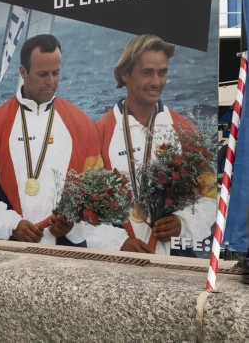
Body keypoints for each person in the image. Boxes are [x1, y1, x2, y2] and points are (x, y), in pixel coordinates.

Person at [0, 34, 102, 246]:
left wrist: (74, 225)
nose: (51, 81)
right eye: (42, 74)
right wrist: (12, 225)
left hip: (67, 250)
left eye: (56, 73)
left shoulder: (82, 124)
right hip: (11, 247)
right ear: (23, 72)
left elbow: (96, 192)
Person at [92, 34, 216, 256]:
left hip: (174, 256)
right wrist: (115, 241)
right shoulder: (99, 133)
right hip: (120, 258)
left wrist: (183, 222)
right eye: (147, 72)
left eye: (162, 72)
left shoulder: (185, 130)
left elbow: (209, 199)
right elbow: (83, 208)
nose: (156, 82)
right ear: (125, 74)